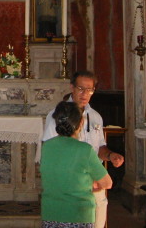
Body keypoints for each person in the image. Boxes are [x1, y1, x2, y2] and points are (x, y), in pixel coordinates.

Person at [42, 70, 124, 228]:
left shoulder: (95, 116)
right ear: (71, 87)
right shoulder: (56, 115)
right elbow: (54, 151)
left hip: (96, 183)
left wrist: (110, 155)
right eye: (81, 88)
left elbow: (100, 146)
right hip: (71, 187)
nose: (85, 93)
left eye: (90, 90)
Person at [41, 101, 113, 228]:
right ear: (81, 123)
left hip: (51, 212)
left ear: (56, 122)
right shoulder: (85, 150)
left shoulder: (47, 146)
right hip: (78, 214)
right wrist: (92, 183)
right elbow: (107, 183)